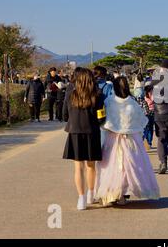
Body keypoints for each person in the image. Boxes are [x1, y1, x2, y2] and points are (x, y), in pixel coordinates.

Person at [95, 76, 159, 206]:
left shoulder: (109, 101)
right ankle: (123, 194)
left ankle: (111, 193)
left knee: (111, 167)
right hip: (131, 139)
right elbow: (141, 119)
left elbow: (104, 120)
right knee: (129, 167)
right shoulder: (132, 102)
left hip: (113, 139)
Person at [62, 67, 104, 211]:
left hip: (75, 131)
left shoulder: (70, 92)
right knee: (91, 166)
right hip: (92, 131)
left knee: (78, 167)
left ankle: (81, 198)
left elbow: (64, 113)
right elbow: (101, 116)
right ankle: (91, 194)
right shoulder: (97, 94)